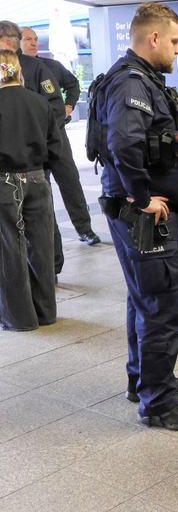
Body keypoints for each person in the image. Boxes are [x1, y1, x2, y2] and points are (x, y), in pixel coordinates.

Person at [92, 2, 178, 431]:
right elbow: (124, 144)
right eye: (174, 41)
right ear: (153, 37)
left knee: (144, 295)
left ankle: (145, 380)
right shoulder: (132, 82)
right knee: (161, 299)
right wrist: (141, 198)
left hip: (137, 207)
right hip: (141, 211)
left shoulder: (139, 78)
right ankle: (158, 402)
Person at [0, 21, 71, 277]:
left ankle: (51, 269)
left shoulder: (34, 66)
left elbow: (54, 111)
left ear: (7, 42)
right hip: (29, 168)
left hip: (28, 167)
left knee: (32, 235)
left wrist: (42, 163)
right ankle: (43, 298)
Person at [20, 27, 101, 247]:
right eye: (28, 39)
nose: (34, 43)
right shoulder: (13, 71)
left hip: (57, 135)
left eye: (36, 39)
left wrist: (68, 106)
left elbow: (73, 84)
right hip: (33, 141)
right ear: (17, 42)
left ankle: (85, 229)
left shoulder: (51, 66)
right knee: (42, 189)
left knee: (70, 182)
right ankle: (51, 241)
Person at [0, 50, 61, 331]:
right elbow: (55, 144)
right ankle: (46, 312)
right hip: (38, 179)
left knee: (10, 248)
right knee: (41, 247)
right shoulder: (39, 101)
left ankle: (20, 318)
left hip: (4, 181)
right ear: (18, 70)